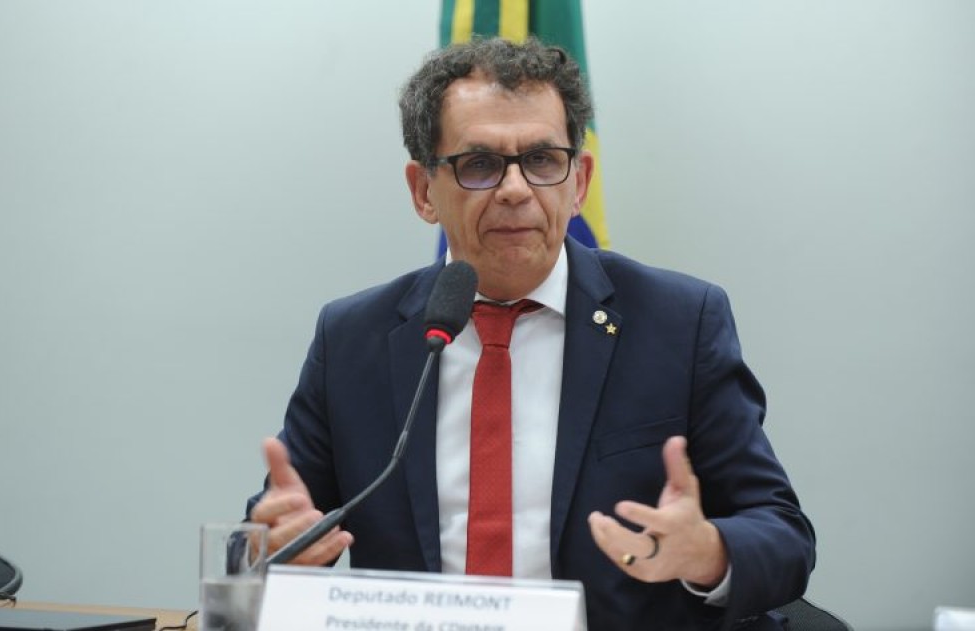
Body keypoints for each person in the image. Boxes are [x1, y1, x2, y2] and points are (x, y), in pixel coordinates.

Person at [246, 37, 815, 631]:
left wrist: (709, 553)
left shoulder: (678, 321)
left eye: (543, 160)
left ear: (579, 181)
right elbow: (272, 538)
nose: (516, 189)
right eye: (479, 164)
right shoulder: (353, 340)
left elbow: (783, 534)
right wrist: (273, 550)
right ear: (423, 191)